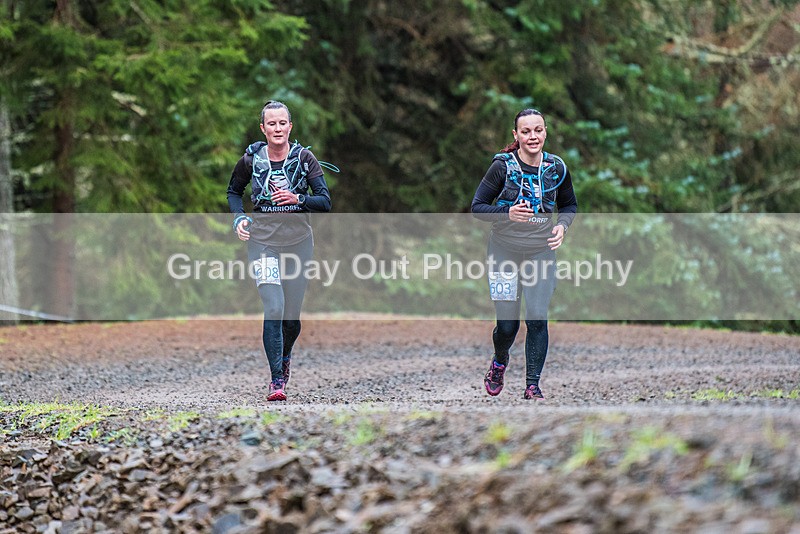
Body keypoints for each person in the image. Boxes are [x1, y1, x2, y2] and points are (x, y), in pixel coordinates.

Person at [227, 100, 332, 401]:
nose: (277, 128)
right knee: (273, 307)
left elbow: (324, 202)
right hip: (262, 243)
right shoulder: (251, 158)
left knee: (291, 318)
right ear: (263, 128)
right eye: (271, 123)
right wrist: (239, 218)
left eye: (282, 123)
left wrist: (297, 198)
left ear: (290, 126)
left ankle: (285, 358)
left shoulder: (304, 158)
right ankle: (276, 380)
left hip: (299, 243)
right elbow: (234, 191)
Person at [470, 108, 577, 400]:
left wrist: (562, 227)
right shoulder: (502, 167)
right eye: (526, 131)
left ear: (545, 132)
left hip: (540, 251)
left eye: (538, 130)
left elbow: (569, 205)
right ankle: (499, 360)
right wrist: (507, 214)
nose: (533, 136)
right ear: (516, 136)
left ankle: (533, 386)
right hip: (504, 251)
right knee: (507, 325)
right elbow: (477, 207)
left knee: (538, 317)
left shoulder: (556, 167)